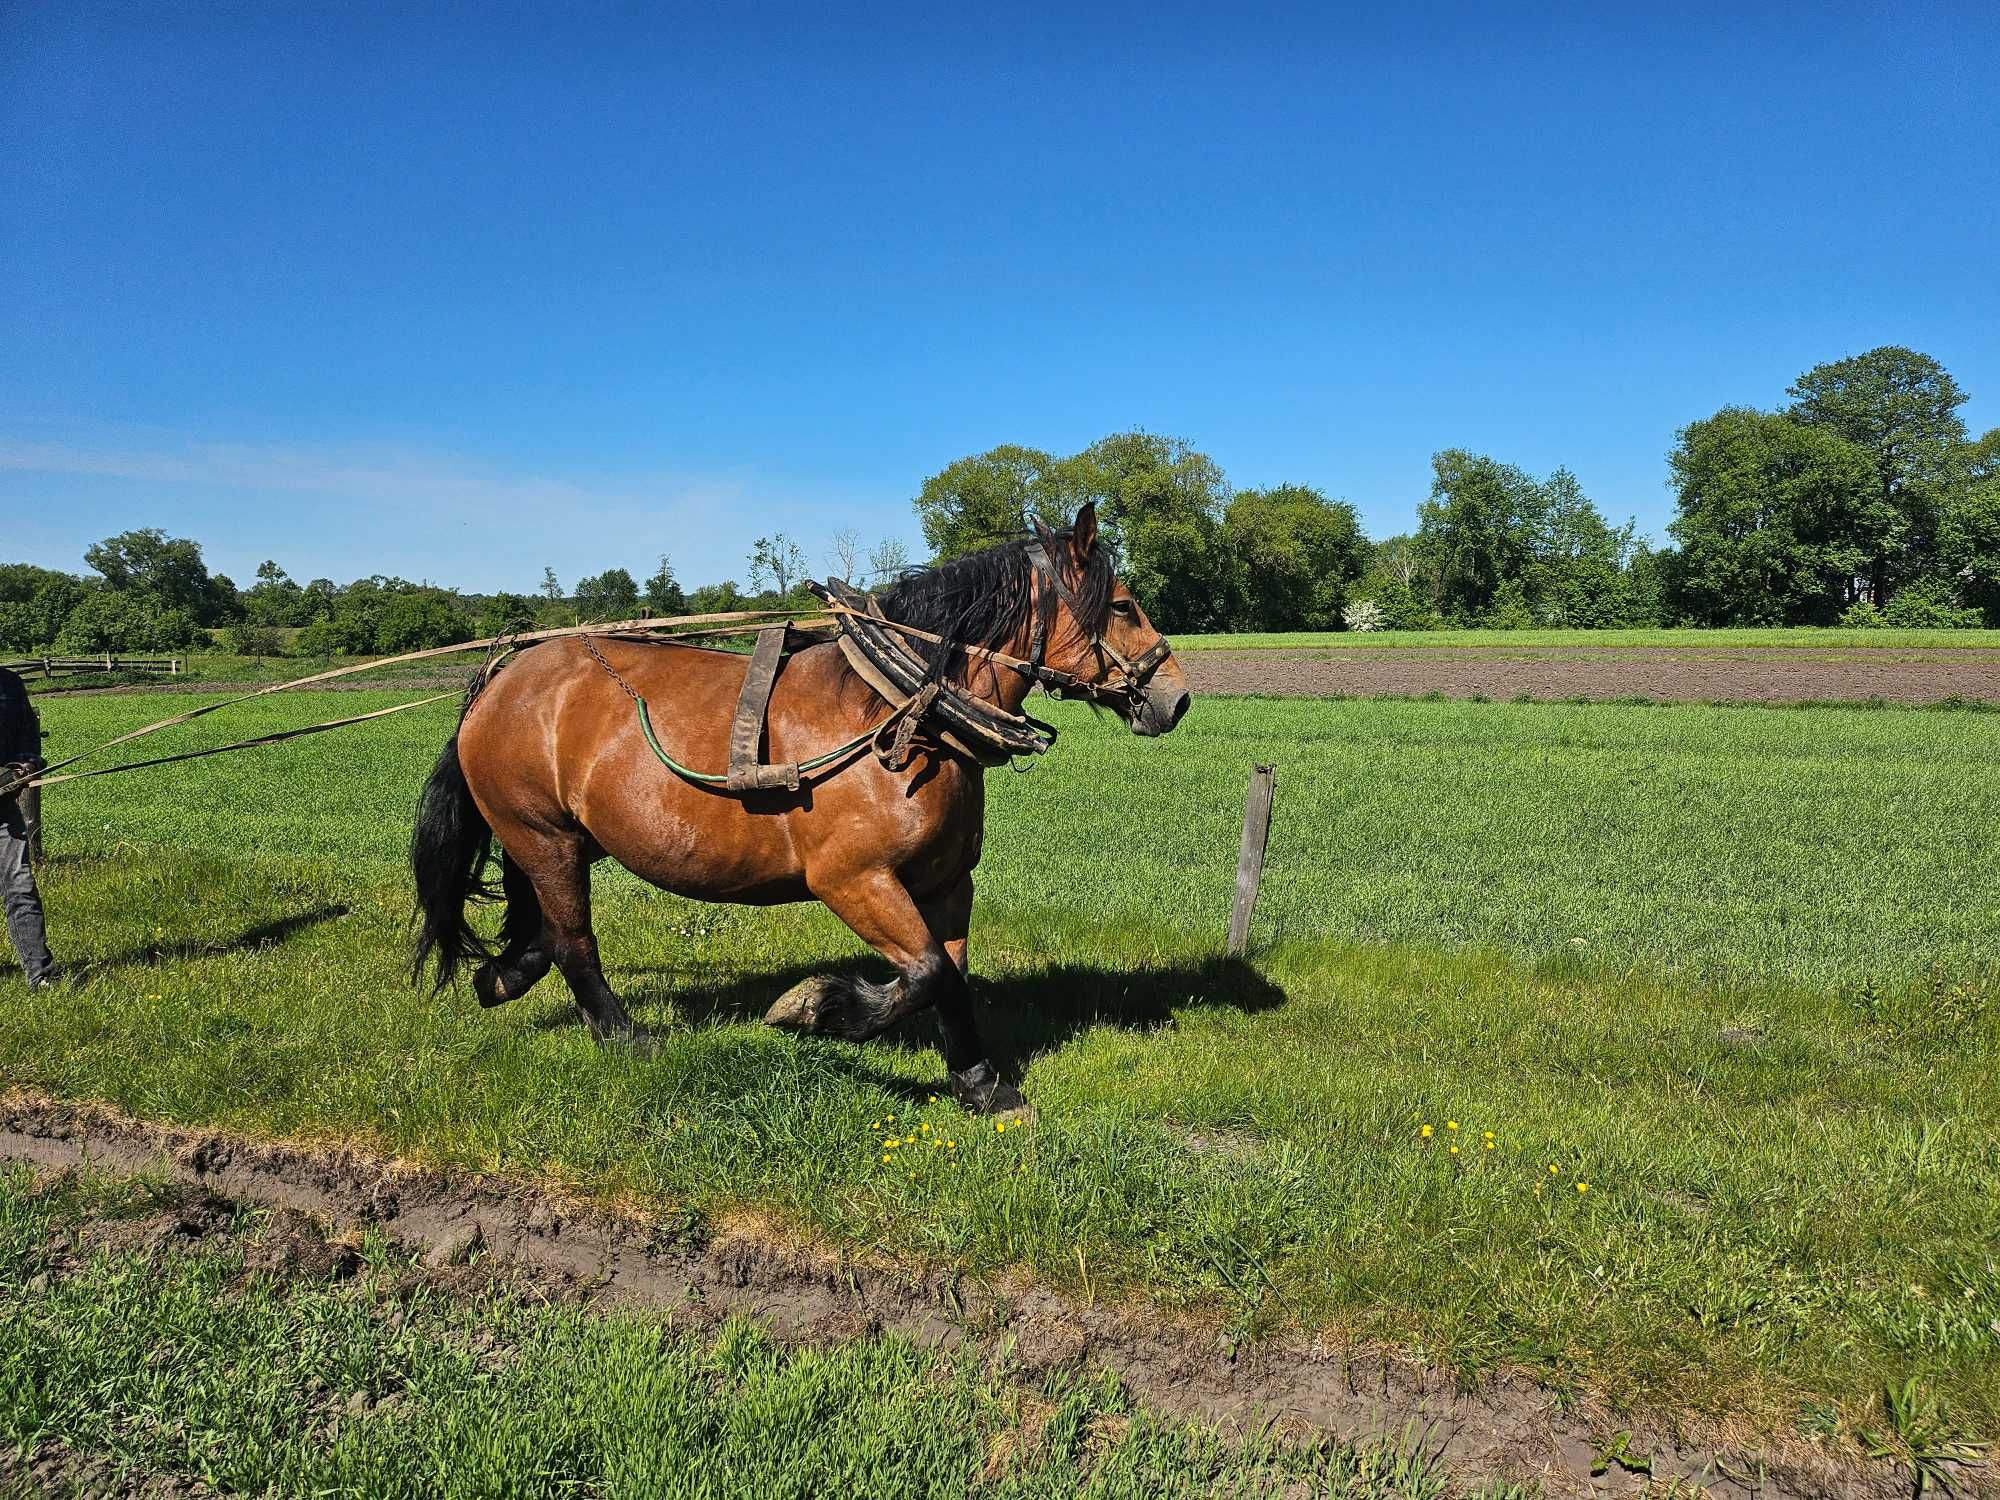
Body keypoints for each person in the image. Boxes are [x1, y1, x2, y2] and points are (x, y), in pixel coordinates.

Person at [0, 666, 59, 989]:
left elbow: (27, 738)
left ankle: (41, 975)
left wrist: (24, 767)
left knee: (20, 886)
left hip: (2, 808)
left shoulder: (9, 683)